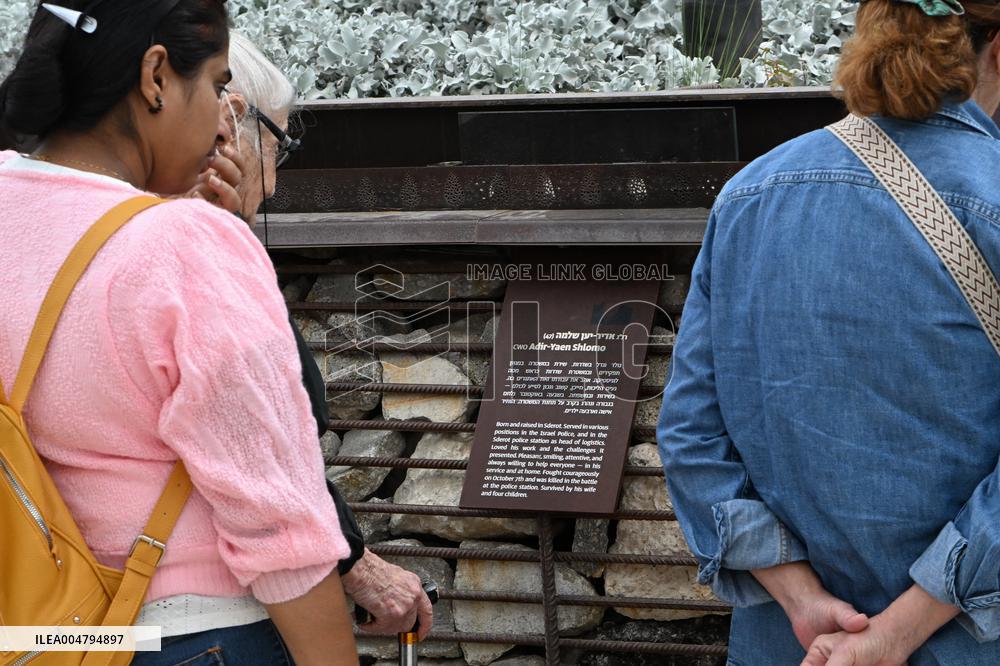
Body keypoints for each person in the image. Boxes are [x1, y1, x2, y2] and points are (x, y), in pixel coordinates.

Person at [0, 2, 358, 664]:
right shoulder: (183, 244)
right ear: (156, 76)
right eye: (218, 85)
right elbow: (279, 524)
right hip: (194, 634)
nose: (223, 119)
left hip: (47, 628)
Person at [657, 0, 1000, 664]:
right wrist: (895, 633)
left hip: (793, 644)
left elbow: (691, 433)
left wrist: (801, 599)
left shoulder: (748, 195)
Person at [218, 30, 435, 639]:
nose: (272, 184)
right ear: (228, 119)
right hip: (207, 614)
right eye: (276, 144)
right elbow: (259, 449)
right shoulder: (192, 252)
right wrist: (355, 564)